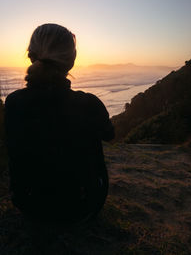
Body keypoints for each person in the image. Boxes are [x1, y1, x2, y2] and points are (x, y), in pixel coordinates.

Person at [5, 23, 114, 225]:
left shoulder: (13, 102)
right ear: (71, 61)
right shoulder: (88, 103)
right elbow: (109, 134)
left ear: (31, 55)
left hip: (30, 206)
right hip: (84, 207)